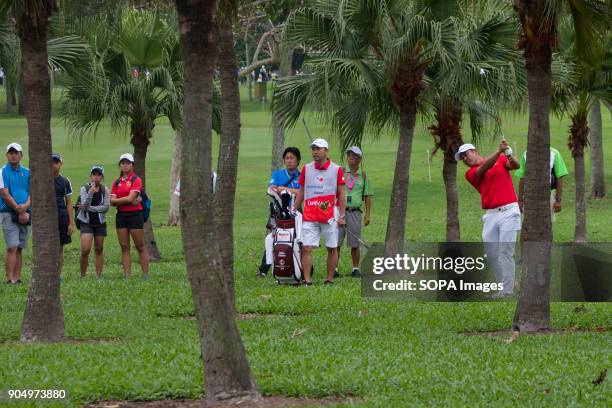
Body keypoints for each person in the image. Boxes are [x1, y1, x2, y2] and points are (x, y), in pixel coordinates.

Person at [456, 141, 520, 297]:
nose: (465, 158)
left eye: (466, 153)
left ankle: (506, 290)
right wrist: (499, 152)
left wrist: (509, 154)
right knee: (491, 254)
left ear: (475, 151)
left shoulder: (500, 159)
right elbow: (484, 168)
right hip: (490, 215)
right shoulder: (470, 173)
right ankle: (508, 284)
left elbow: (516, 166)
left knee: (505, 251)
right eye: (462, 157)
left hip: (509, 212)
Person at [293, 138, 346, 286]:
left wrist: (342, 216)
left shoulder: (336, 169)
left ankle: (329, 279)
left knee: (332, 247)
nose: (315, 151)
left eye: (318, 149)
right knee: (306, 247)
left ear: (326, 151)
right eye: (313, 149)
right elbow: (302, 191)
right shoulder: (306, 168)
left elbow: (342, 194)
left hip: (329, 215)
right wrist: (294, 208)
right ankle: (307, 280)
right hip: (310, 214)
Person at [258, 147, 302, 277]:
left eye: (292, 158)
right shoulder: (277, 174)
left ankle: (298, 266)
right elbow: (271, 189)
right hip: (278, 212)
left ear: (298, 160)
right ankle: (264, 269)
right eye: (286, 158)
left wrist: (284, 188)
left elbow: (303, 193)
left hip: (296, 212)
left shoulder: (301, 177)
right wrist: (289, 190)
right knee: (273, 237)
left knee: (298, 239)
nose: (289, 161)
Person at [334, 146, 373, 278]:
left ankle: (355, 269)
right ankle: (334, 268)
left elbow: (367, 196)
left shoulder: (363, 175)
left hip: (355, 212)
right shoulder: (341, 172)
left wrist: (367, 215)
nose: (350, 156)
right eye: (349, 154)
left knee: (355, 242)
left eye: (354, 155)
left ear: (359, 159)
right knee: (336, 241)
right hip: (340, 211)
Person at [110, 153, 149, 279]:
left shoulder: (136, 180)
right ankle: (127, 275)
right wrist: (126, 199)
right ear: (120, 165)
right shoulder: (116, 182)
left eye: (128, 163)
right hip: (121, 215)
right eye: (123, 163)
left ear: (132, 165)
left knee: (140, 245)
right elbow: (111, 202)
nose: (125, 165)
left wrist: (120, 200)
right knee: (124, 246)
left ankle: (145, 274)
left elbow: (130, 198)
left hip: (135, 215)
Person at [0, 143, 30, 284]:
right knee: (12, 246)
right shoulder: (2, 171)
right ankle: (10, 279)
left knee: (19, 248)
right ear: (7, 155)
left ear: (21, 155)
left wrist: (25, 207)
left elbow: (32, 193)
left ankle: (17, 278)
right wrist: (19, 209)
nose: (13, 155)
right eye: (10, 153)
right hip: (8, 212)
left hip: (26, 213)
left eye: (16, 152)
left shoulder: (27, 172)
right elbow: (4, 194)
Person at [515, 148, 568, 222]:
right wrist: (520, 200)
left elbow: (559, 177)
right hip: (530, 195)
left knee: (546, 222)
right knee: (530, 222)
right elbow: (522, 178)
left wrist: (558, 200)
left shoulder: (554, 153)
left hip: (549, 194)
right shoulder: (526, 154)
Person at [77, 165, 110, 278]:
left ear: (102, 177)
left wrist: (90, 208)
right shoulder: (84, 188)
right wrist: (90, 193)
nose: (96, 177)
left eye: (99, 175)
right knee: (85, 249)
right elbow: (85, 208)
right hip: (86, 222)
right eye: (94, 175)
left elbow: (105, 208)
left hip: (100, 223)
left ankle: (98, 276)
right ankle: (82, 275)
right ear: (91, 176)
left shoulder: (105, 190)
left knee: (99, 248)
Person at [52, 153, 74, 274]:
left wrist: (71, 223)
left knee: (60, 247)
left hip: (62, 216)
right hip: (48, 218)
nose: (53, 165)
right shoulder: (44, 180)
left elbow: (69, 203)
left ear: (60, 164)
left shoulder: (65, 181)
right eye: (51, 162)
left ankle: (57, 275)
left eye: (56, 162)